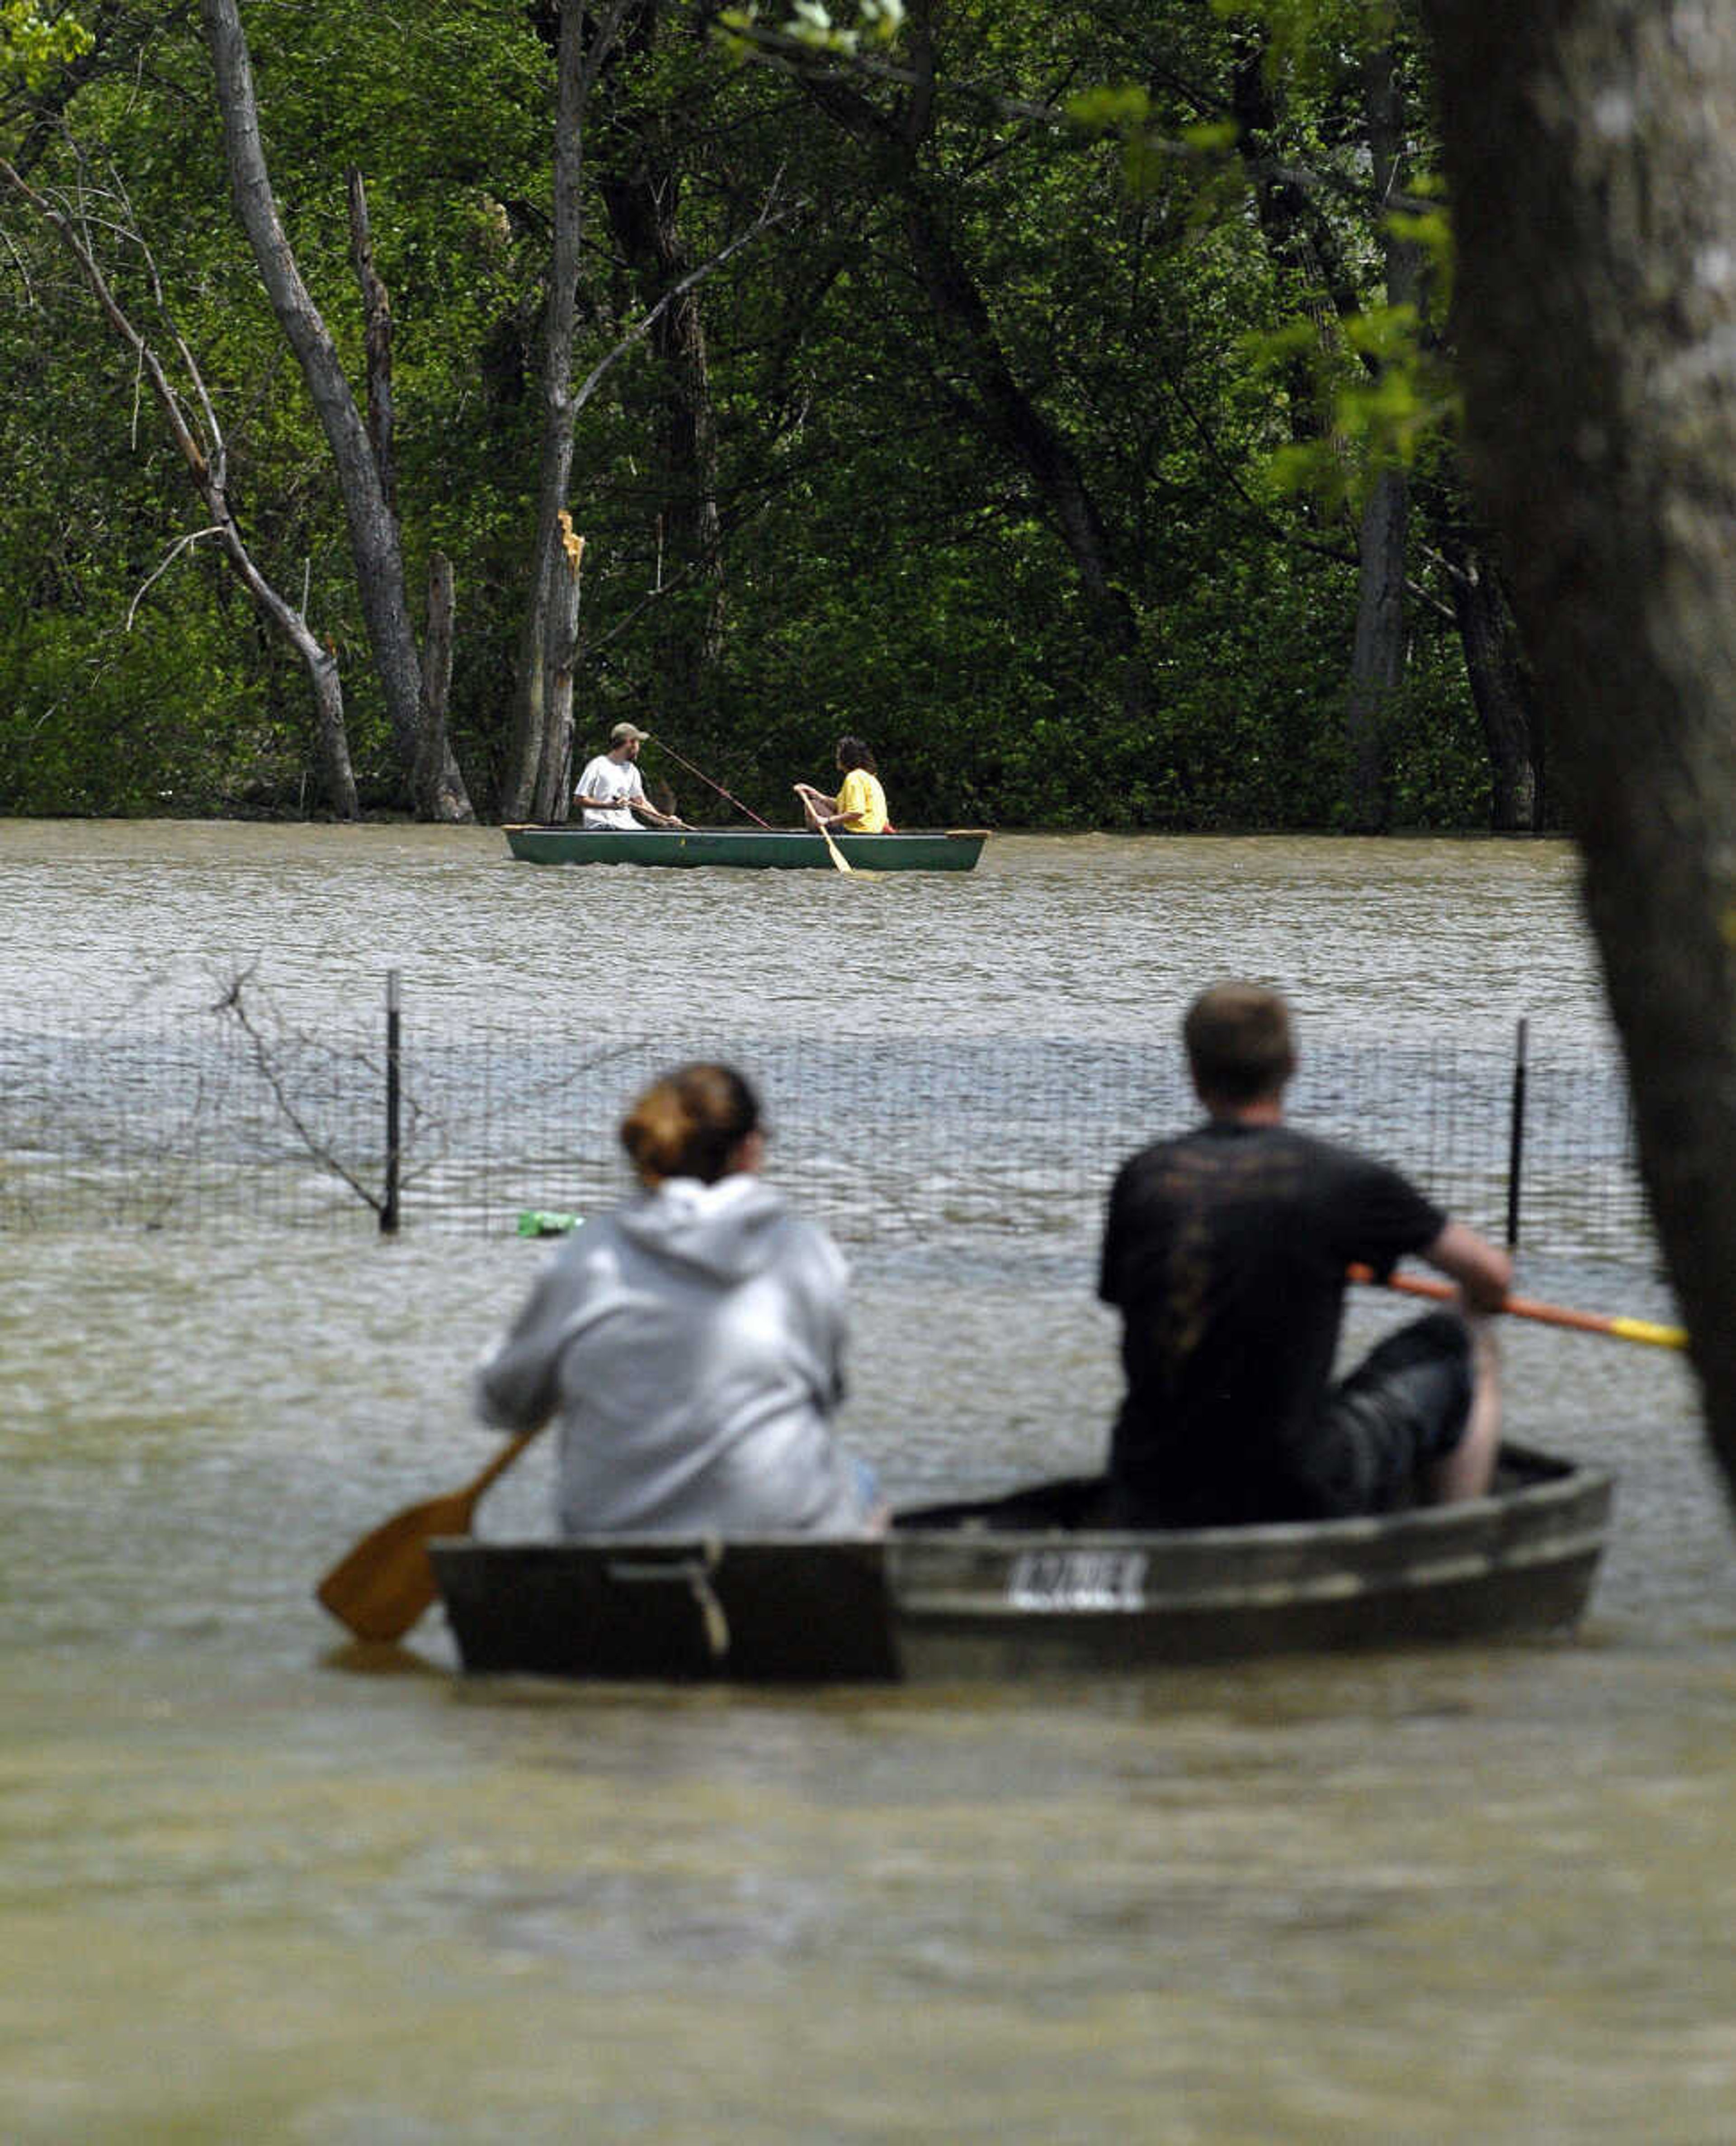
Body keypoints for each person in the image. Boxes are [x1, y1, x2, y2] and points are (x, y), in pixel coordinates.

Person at [1097, 983, 1511, 1528]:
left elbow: (1124, 1296)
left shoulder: (1144, 1177)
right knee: (1465, 1340)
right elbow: (1490, 1276)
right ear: (1292, 1065)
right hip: (1294, 1482)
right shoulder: (1344, 1180)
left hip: (1147, 1480)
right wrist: (1476, 1299)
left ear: (1193, 1074)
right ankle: (1457, 1545)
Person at [473, 1062, 880, 1536]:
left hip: (607, 1542)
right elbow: (827, 1396)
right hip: (774, 1543)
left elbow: (502, 1404)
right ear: (750, 1150)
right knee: (862, 1482)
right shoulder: (807, 1252)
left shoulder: (585, 1256)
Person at [573, 722, 686, 829]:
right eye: (638, 743)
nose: (639, 748)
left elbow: (641, 804)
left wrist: (666, 822)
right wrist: (608, 805)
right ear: (629, 743)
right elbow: (579, 800)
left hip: (627, 827)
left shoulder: (632, 770)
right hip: (602, 827)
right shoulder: (598, 765)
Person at [794, 735, 891, 834]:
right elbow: (841, 807)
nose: (837, 757)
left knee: (812, 805)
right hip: (874, 832)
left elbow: (857, 812)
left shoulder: (854, 778)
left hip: (859, 832)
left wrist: (827, 820)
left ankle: (818, 847)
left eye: (839, 754)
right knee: (816, 802)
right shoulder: (870, 778)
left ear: (847, 757)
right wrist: (818, 795)